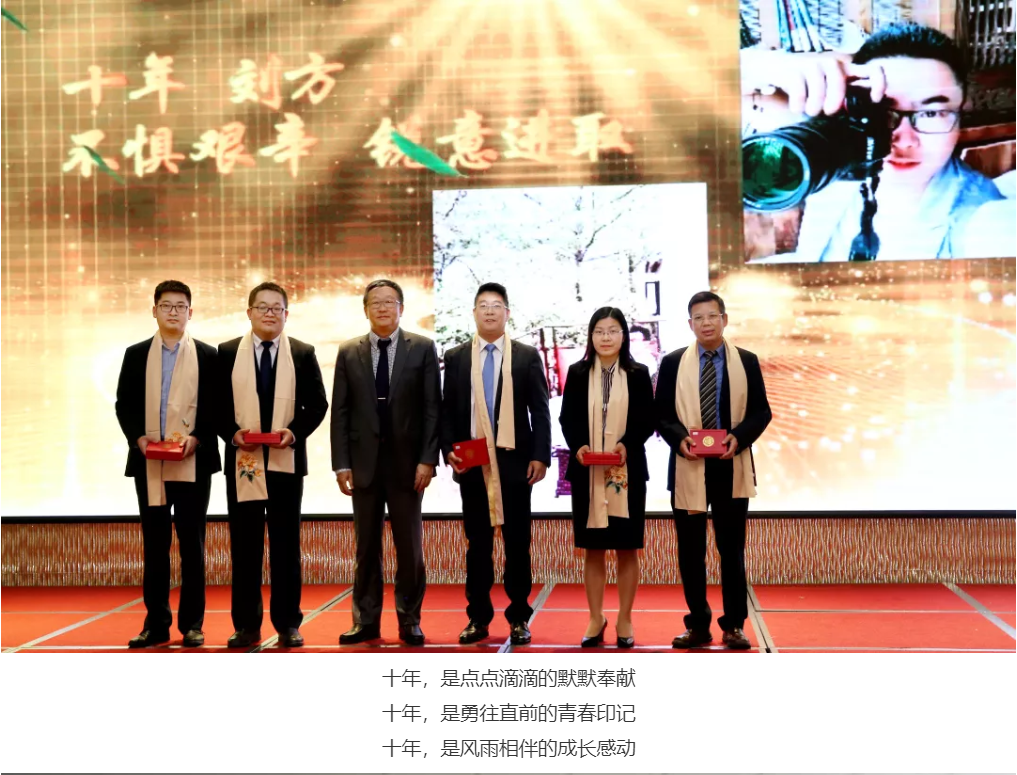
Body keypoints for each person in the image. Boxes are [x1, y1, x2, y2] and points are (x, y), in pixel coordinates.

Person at [742, 21, 1009, 261]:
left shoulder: (984, 222)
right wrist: (767, 65)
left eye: (931, 113)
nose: (904, 140)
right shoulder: (838, 144)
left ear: (961, 115)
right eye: (880, 112)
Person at [655, 291, 771, 649]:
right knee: (691, 552)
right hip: (688, 465)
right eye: (698, 318)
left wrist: (739, 437)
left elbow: (761, 412)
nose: (706, 323)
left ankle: (734, 625)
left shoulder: (746, 361)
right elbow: (662, 414)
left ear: (724, 319)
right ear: (690, 324)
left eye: (712, 316)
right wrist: (680, 440)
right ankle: (698, 625)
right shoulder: (673, 362)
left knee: (731, 550)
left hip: (730, 465)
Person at [440, 282, 551, 646]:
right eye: (483, 305)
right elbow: (447, 409)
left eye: (496, 305)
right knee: (478, 546)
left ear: (507, 313)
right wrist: (448, 449)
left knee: (518, 544)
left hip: (515, 462)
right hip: (473, 461)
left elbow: (540, 409)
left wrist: (540, 455)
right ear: (474, 313)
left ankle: (519, 617)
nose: (489, 311)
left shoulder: (525, 356)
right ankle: (478, 617)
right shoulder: (457, 357)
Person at [217, 282, 327, 648]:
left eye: (276, 308)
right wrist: (232, 434)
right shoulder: (227, 352)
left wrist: (293, 433)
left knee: (285, 546)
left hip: (285, 462)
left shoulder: (302, 352)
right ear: (249, 312)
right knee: (245, 547)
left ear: (286, 314)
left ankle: (288, 623)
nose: (269, 313)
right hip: (244, 462)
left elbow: (318, 404)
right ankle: (246, 625)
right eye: (262, 307)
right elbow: (214, 405)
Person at [331, 279, 441, 646]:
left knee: (409, 548)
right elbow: (340, 412)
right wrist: (341, 464)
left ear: (401, 308)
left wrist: (427, 460)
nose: (382, 307)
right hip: (363, 465)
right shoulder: (349, 351)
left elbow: (432, 409)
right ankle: (366, 620)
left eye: (389, 301)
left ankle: (409, 620)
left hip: (408, 467)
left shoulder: (422, 348)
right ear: (365, 309)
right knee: (366, 549)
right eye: (375, 302)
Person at [115, 280, 221, 649]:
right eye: (166, 305)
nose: (173, 312)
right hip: (150, 463)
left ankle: (192, 624)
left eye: (180, 306)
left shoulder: (208, 355)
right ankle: (156, 624)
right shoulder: (136, 354)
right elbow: (124, 404)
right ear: (154, 310)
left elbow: (216, 406)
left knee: (192, 545)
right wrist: (138, 438)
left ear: (191, 312)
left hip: (193, 462)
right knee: (155, 545)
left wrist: (199, 437)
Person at [558, 308, 655, 648]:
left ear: (624, 335)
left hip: (627, 471)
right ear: (591, 336)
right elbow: (567, 417)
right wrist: (578, 445)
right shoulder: (578, 372)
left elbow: (647, 419)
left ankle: (625, 618)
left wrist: (628, 443)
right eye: (599, 331)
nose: (606, 337)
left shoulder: (639, 373)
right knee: (593, 550)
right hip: (588, 471)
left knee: (627, 549)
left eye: (613, 331)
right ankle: (595, 617)